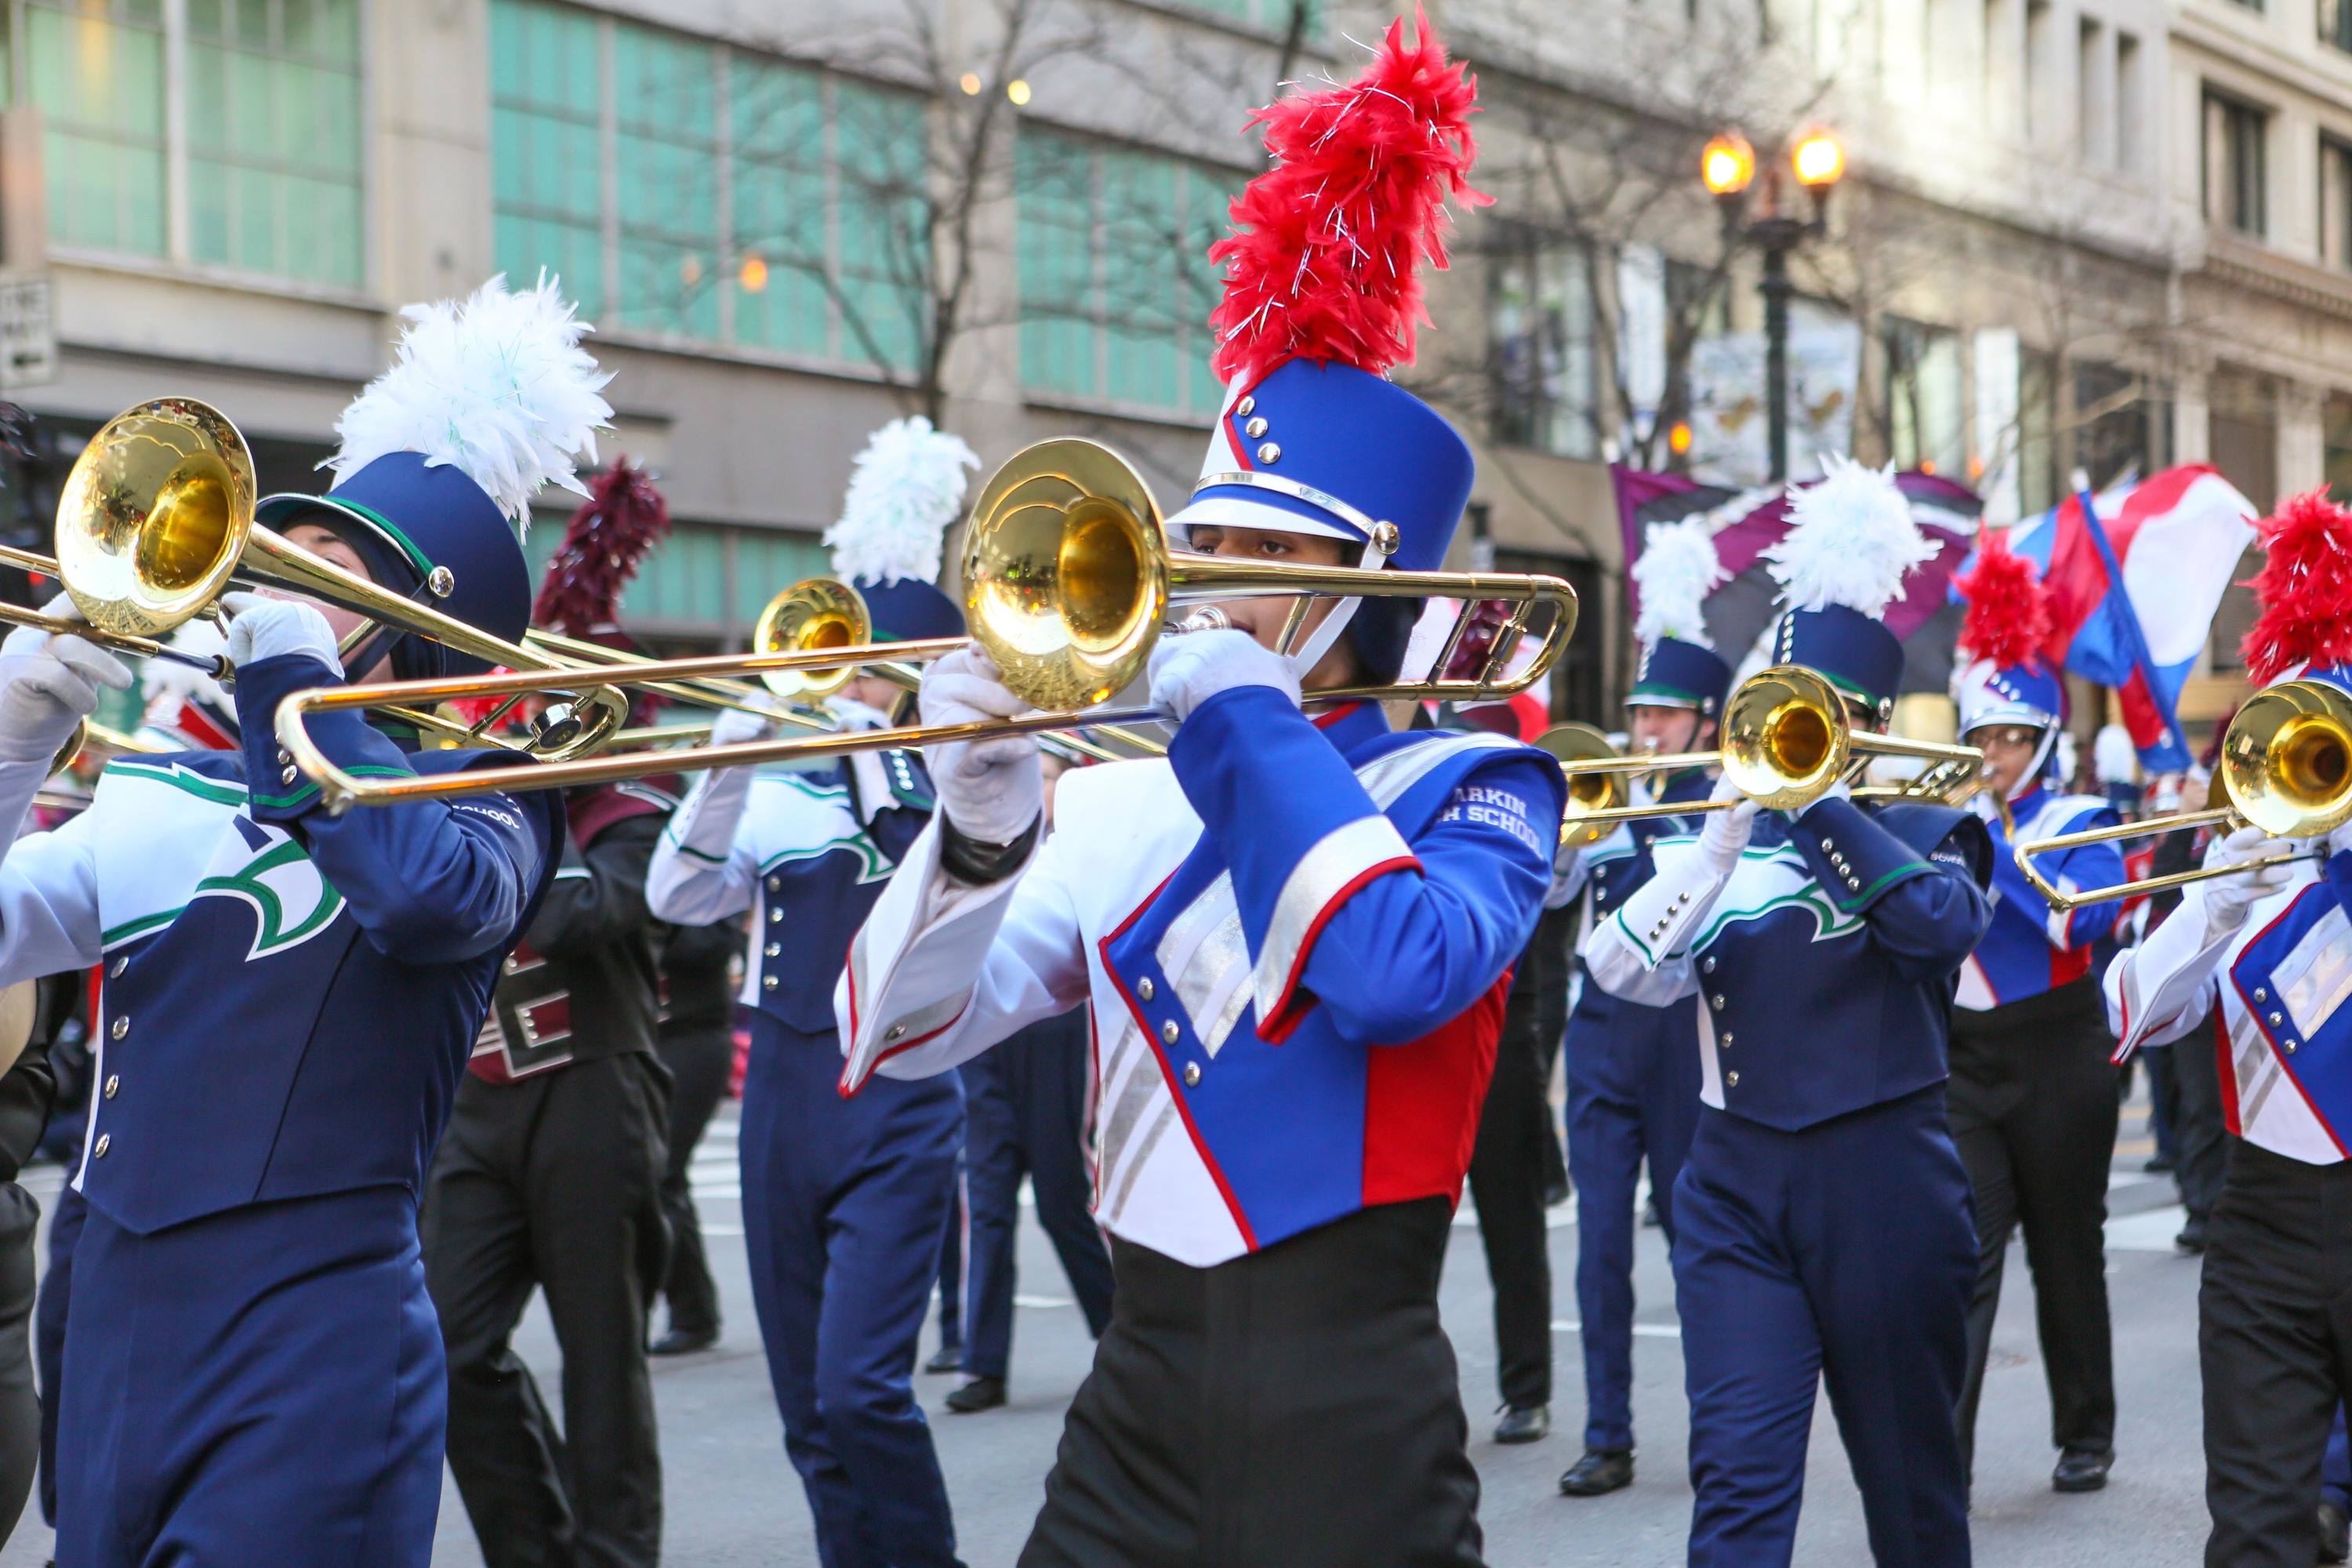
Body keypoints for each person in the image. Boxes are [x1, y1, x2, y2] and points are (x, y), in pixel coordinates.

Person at [837, 24, 1556, 1563]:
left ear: (1374, 583)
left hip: (1355, 1418)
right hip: (1136, 1408)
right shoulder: (1110, 799)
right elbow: (891, 1037)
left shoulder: (1477, 781)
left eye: (1272, 561)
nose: (1214, 591)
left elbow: (1390, 971)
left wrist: (1235, 702)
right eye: (1203, 548)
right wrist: (970, 824)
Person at [11, 274, 598, 1566]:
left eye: (328, 573)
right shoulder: (166, 786)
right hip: (108, 1318)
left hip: (310, 1340)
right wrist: (14, 742)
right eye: (281, 558)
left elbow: (422, 899)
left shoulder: (491, 809)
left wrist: (292, 688)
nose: (265, 589)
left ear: (412, 627)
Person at [1585, 459, 1992, 1568]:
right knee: (1740, 1491)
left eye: (1811, 719)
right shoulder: (1703, 842)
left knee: (1913, 1503)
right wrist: (1718, 840)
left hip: (1887, 1181)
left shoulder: (1929, 829)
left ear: (1856, 723)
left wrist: (1823, 802)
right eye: (1772, 716)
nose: (1782, 736)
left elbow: (1937, 938)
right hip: (1731, 1184)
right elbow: (1620, 977)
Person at [646, 414, 977, 1568]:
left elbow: (933, 841)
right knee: (808, 1415)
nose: (853, 687)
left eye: (883, 671)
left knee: (862, 1392)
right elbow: (678, 899)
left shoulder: (953, 787)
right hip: (782, 1102)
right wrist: (735, 751)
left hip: (900, 1096)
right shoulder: (780, 795)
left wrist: (873, 741)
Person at [423, 461, 682, 1568]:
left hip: (594, 1089)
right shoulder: (466, 785)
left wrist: (541, 786)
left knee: (603, 1357)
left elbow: (594, 917)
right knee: (446, 1344)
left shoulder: (627, 811)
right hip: (473, 1104)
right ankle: (533, 1549)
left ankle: (615, 1556)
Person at [2103, 489, 2352, 1568]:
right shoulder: (2243, 861)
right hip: (2265, 1224)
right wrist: (2216, 896)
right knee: (2256, 1538)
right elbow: (2133, 1014)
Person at [1943, 530, 2126, 1494]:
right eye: (1982, 738)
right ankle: (1947, 1459)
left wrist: (1988, 844)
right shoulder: (1954, 820)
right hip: (1965, 1057)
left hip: (2059, 1051)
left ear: (2045, 742)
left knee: (2065, 1251)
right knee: (1965, 1257)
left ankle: (2087, 1426)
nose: (1996, 754)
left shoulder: (2086, 821)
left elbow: (2085, 919)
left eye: (2012, 738)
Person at [1552, 518, 1727, 1493]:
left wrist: (1664, 812)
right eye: (1640, 711)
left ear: (1704, 720)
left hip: (1675, 1031)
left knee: (1695, 1240)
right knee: (1600, 1245)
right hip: (1600, 1032)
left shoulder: (1717, 803)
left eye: (1665, 715)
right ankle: (1606, 1430)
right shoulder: (1606, 791)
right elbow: (1548, 898)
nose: (1646, 728)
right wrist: (1570, 839)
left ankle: (1717, 1428)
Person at [946, 756, 1115, 1416]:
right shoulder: (981, 840)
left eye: (1045, 775)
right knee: (986, 1199)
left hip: (1054, 1029)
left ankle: (1119, 1337)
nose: (1032, 787)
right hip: (987, 1035)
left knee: (1060, 1198)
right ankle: (982, 1363)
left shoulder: (1076, 847)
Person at [650, 910, 743, 1356]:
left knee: (662, 1171)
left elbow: (706, 947)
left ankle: (688, 1311)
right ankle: (694, 1310)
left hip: (694, 1035)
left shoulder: (696, 870)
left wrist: (651, 904)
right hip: (640, 1036)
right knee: (662, 1177)